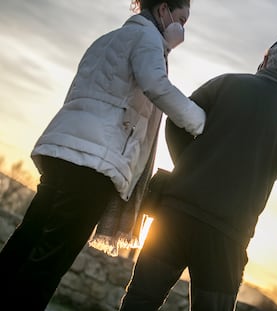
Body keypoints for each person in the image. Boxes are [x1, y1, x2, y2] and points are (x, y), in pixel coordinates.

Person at [0, 1, 205, 310]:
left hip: (62, 148)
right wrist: (200, 122)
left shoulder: (108, 38)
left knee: (29, 236)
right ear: (163, 10)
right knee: (53, 256)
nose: (182, 29)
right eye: (181, 19)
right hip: (93, 160)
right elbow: (156, 85)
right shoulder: (148, 40)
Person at [119, 38, 277, 311]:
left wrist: (191, 168)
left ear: (266, 58)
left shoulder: (225, 84)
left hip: (175, 215)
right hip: (226, 237)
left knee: (139, 302)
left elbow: (178, 122)